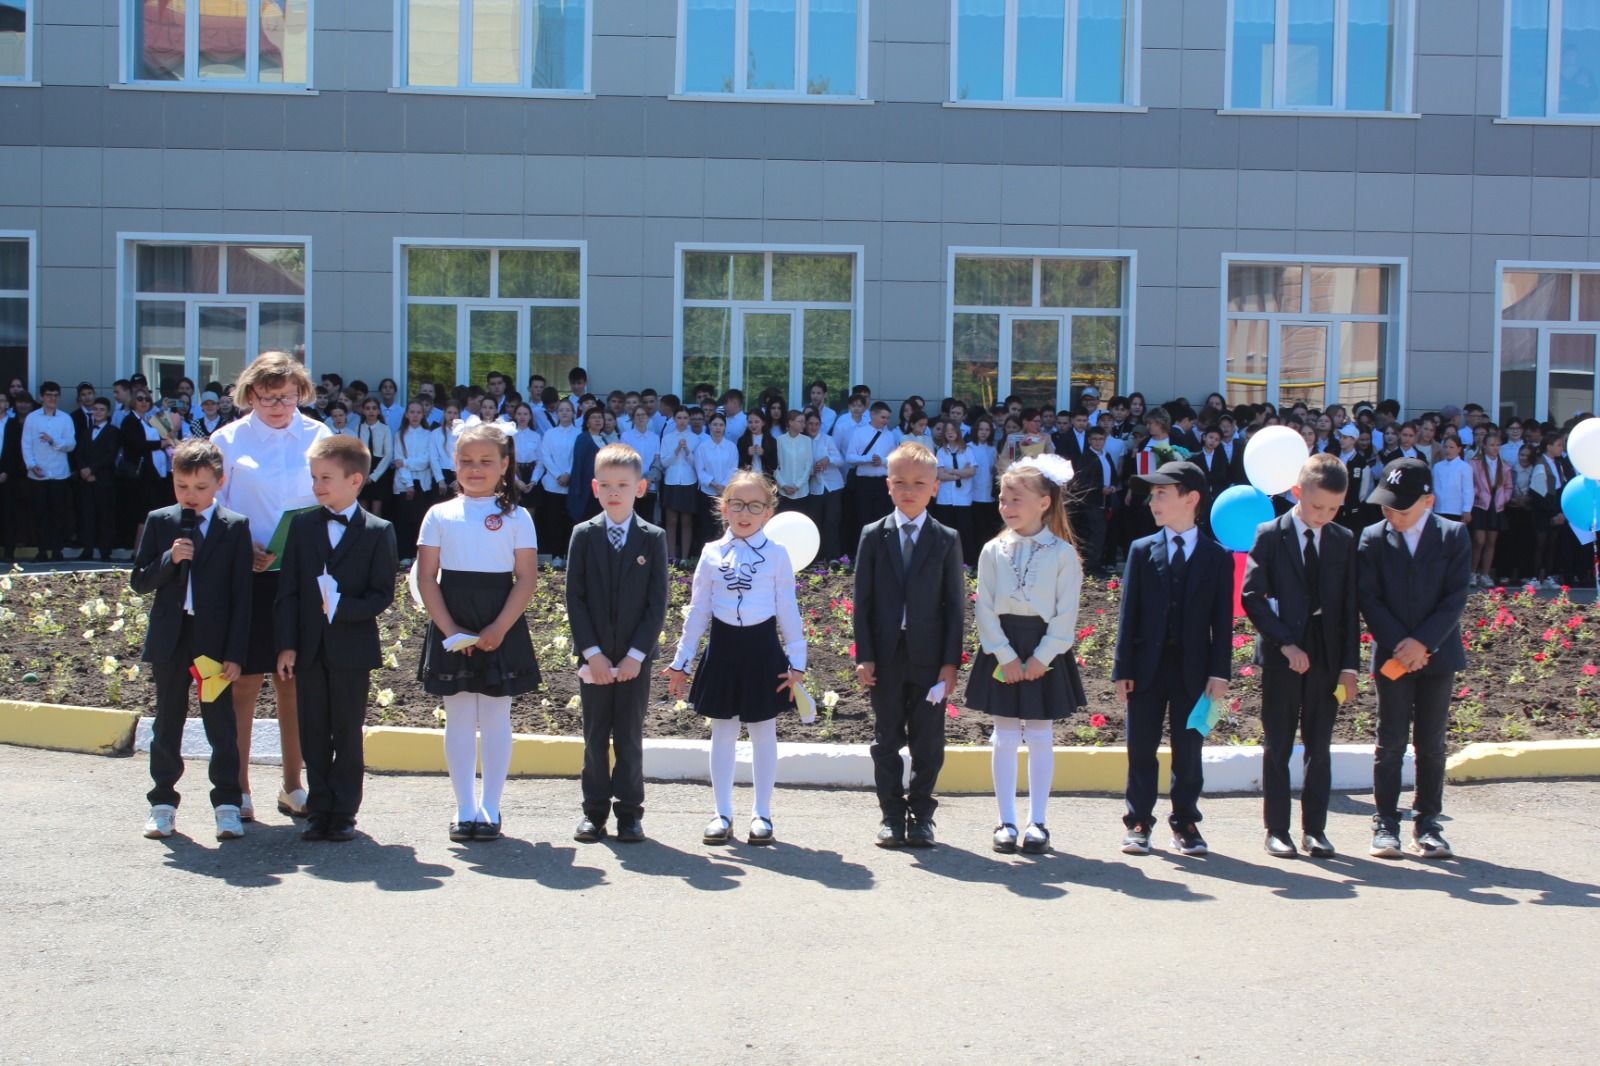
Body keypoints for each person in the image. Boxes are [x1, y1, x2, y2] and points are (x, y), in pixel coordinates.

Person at [210, 352, 330, 823]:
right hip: (249, 576)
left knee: (294, 684)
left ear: (301, 391)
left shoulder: (319, 436)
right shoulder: (228, 439)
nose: (278, 406)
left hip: (302, 578)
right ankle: (238, 790)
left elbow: (334, 496)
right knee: (243, 682)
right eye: (266, 397)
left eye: (286, 396)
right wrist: (245, 546)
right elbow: (211, 508)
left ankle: (293, 785)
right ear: (249, 395)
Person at [416, 423, 543, 842]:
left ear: (505, 465)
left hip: (499, 620)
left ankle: (491, 806)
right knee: (457, 717)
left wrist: (499, 628)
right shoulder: (438, 514)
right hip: (451, 618)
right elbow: (428, 578)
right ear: (454, 462)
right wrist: (449, 629)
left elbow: (525, 578)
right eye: (466, 461)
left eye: (487, 461)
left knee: (495, 716)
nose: (475, 468)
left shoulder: (517, 516)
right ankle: (464, 806)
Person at [667, 471, 806, 847]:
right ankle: (722, 813)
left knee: (763, 730)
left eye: (755, 506)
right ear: (724, 508)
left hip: (762, 649)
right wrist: (682, 661)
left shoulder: (777, 555)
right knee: (722, 731)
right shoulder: (712, 553)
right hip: (724, 647)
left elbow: (787, 608)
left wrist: (798, 660)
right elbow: (697, 611)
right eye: (738, 505)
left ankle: (762, 813)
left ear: (768, 511)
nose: (746, 513)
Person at [273, 434, 398, 843]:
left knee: (346, 730)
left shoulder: (379, 531)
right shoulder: (303, 525)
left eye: (326, 477)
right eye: (314, 477)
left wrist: (344, 608)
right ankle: (318, 807)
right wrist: (287, 643)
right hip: (308, 648)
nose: (317, 485)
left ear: (355, 480)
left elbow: (382, 593)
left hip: (352, 649)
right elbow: (288, 588)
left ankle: (344, 810)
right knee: (312, 729)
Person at [132, 439, 253, 842]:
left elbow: (241, 595)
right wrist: (170, 558)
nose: (191, 496)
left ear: (218, 483)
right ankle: (162, 803)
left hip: (213, 644)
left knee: (220, 724)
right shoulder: (161, 521)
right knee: (168, 721)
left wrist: (235, 653)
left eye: (201, 488)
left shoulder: (234, 526)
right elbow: (140, 580)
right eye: (183, 486)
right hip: (172, 638)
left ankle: (227, 805)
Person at [1241, 454, 1361, 860]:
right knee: (1278, 742)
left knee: (1319, 744)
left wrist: (1349, 667)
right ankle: (1277, 829)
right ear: (1297, 493)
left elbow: (1348, 608)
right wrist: (1284, 645)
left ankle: (1316, 830)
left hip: (1326, 654)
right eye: (1315, 506)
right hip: (1282, 653)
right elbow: (1252, 597)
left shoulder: (1343, 540)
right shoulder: (1270, 535)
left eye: (1332, 508)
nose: (1322, 516)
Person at [964, 455, 1086, 855]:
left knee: (1038, 733)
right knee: (1003, 734)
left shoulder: (1063, 554)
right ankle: (1006, 820)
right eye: (1003, 499)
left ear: (1044, 502)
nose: (1007, 507)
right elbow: (984, 607)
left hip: (1043, 648)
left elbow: (1066, 613)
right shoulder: (992, 549)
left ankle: (1037, 821)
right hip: (1003, 646)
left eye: (1016, 499)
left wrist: (1042, 657)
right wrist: (1003, 654)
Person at [1113, 461, 1232, 857]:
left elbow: (1222, 622)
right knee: (1141, 747)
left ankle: (1185, 821)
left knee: (1189, 749)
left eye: (1162, 493)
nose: (1153, 501)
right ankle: (1138, 821)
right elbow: (1128, 615)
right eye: (1152, 494)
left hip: (1195, 671)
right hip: (1147, 669)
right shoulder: (1141, 550)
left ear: (1191, 499)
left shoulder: (1217, 557)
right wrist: (1122, 670)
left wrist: (1219, 673)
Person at [853, 444, 965, 848]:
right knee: (886, 738)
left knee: (928, 741)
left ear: (934, 488)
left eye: (919, 484)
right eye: (899, 482)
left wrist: (950, 663)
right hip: (885, 657)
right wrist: (864, 654)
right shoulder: (873, 535)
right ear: (888, 485)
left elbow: (955, 607)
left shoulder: (946, 539)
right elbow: (862, 601)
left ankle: (921, 814)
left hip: (930, 659)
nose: (909, 491)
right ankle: (890, 813)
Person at [1358, 458, 1472, 860]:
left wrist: (1423, 644)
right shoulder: (1373, 537)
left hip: (1436, 656)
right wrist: (1399, 644)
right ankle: (1385, 822)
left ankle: (1428, 823)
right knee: (1389, 740)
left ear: (1429, 500)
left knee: (1431, 742)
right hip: (1392, 656)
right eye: (1386, 506)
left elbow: (1454, 597)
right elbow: (1368, 597)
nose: (1392, 515)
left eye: (1401, 509)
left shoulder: (1453, 535)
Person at [566, 444, 670, 845]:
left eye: (623, 485)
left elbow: (656, 604)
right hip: (594, 660)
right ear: (595, 487)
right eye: (606, 484)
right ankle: (594, 813)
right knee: (594, 736)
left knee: (628, 735)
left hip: (633, 660)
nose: (614, 492)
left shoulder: (652, 538)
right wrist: (591, 652)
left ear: (640, 488)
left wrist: (635, 656)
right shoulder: (583, 535)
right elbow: (575, 598)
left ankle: (629, 814)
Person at [21, 380, 74, 562]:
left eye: (55, 396)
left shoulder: (65, 418)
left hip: (59, 474)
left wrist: (54, 441)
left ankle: (57, 550)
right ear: (42, 397)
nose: (52, 399)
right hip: (38, 474)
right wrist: (31, 464)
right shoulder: (32, 418)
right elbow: (26, 443)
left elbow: (71, 444)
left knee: (59, 514)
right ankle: (42, 550)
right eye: (48, 395)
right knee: (39, 515)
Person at [391, 401, 443, 563]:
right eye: (411, 412)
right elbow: (398, 459)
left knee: (419, 520)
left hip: (423, 481)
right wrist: (408, 483)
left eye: (418, 412)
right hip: (404, 483)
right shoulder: (400, 434)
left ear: (423, 415)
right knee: (403, 520)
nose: (415, 415)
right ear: (406, 414)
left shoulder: (428, 435)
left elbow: (426, 460)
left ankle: (417, 555)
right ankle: (404, 555)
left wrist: (406, 463)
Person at [74, 398, 119, 561]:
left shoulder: (113, 431)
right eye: (95, 409)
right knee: (87, 516)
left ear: (107, 413)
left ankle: (105, 551)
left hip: (103, 480)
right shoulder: (86, 431)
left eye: (101, 409)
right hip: (86, 480)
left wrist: (93, 470)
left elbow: (110, 455)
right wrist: (83, 470)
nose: (98, 412)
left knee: (104, 517)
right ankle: (87, 550)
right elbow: (79, 453)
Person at [846, 401, 896, 549]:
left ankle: (881, 551)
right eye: (883, 417)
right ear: (873, 414)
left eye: (887, 418)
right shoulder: (859, 433)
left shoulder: (890, 435)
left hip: (883, 482)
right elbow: (849, 457)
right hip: (864, 483)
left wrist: (883, 461)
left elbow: (894, 459)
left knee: (883, 518)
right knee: (863, 518)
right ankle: (863, 551)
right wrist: (868, 459)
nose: (885, 421)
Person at [536, 399, 579, 566]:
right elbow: (545, 456)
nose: (565, 413)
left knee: (569, 520)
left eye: (568, 410)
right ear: (557, 413)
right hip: (552, 484)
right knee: (553, 520)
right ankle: (556, 556)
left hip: (571, 483)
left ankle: (569, 554)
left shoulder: (578, 434)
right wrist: (557, 474)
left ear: (573, 413)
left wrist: (568, 473)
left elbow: (577, 457)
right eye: (561, 410)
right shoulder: (549, 434)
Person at [1470, 427, 1514, 586]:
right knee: (1479, 540)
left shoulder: (1505, 466)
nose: (1495, 448)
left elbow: (1508, 486)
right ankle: (1472, 572)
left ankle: (1485, 574)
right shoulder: (1475, 463)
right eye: (1491, 445)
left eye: (1497, 445)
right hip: (1480, 504)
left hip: (1496, 505)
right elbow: (1471, 483)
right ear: (1484, 446)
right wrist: (1477, 493)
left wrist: (1505, 498)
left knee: (1491, 542)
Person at [933, 418, 977, 565]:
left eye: (953, 430)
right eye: (947, 431)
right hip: (945, 499)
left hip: (963, 498)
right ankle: (946, 563)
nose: (950, 433)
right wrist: (960, 473)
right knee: (945, 532)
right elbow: (940, 475)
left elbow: (971, 471)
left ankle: (967, 563)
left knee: (965, 532)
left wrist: (951, 471)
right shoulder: (941, 452)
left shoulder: (967, 450)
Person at [659, 405, 700, 565]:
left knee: (686, 520)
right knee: (671, 520)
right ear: (675, 419)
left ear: (688, 420)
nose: (682, 421)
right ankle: (671, 557)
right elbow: (664, 462)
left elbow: (695, 463)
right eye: (679, 418)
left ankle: (684, 558)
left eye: (685, 418)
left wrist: (687, 450)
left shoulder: (695, 438)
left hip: (689, 481)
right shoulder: (667, 438)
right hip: (672, 480)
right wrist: (677, 449)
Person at [693, 412, 737, 554]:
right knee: (706, 526)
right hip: (707, 493)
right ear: (709, 426)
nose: (718, 428)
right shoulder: (702, 447)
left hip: (725, 493)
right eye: (715, 424)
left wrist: (723, 485)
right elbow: (700, 470)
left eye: (721, 425)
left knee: (724, 525)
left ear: (724, 427)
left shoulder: (731, 447)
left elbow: (733, 468)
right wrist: (713, 484)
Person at [806, 407, 846, 562]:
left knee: (832, 521)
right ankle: (816, 557)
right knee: (815, 522)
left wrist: (827, 459)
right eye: (810, 424)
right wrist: (812, 469)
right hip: (814, 486)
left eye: (816, 424)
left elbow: (840, 460)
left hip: (832, 486)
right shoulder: (803, 442)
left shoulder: (827, 439)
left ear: (820, 425)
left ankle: (833, 556)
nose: (813, 427)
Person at [566, 406, 609, 526]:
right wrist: (578, 489)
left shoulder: (603, 439)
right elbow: (578, 464)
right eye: (593, 418)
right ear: (587, 422)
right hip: (587, 488)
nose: (598, 420)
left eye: (600, 417)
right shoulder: (583, 438)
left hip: (602, 488)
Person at [619, 405, 660, 522]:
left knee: (647, 520)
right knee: (630, 519)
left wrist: (647, 480)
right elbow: (624, 459)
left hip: (649, 485)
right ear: (633, 418)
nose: (641, 418)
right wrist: (637, 480)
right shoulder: (626, 436)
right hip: (631, 484)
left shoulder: (655, 437)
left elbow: (657, 461)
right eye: (637, 415)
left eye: (643, 415)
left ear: (648, 418)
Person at [355, 397, 394, 517]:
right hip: (363, 467)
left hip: (379, 470)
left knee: (377, 511)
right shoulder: (359, 428)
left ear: (378, 411)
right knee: (363, 511)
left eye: (374, 408)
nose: (371, 411)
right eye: (367, 408)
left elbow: (388, 455)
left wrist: (373, 476)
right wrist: (362, 474)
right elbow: (356, 452)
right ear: (363, 411)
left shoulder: (384, 429)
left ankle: (377, 535)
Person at [775, 408, 813, 515]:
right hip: (783, 491)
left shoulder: (807, 440)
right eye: (800, 421)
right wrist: (783, 485)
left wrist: (797, 485)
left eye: (803, 422)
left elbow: (808, 466)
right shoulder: (780, 440)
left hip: (802, 491)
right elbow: (776, 466)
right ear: (790, 422)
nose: (803, 425)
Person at [1430, 434, 1473, 523]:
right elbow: (1433, 488)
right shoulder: (1438, 467)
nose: (1448, 450)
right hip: (1439, 509)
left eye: (1451, 447)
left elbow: (1468, 490)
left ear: (1459, 449)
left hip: (1456, 511)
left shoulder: (1464, 467)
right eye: (1445, 447)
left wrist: (1467, 509)